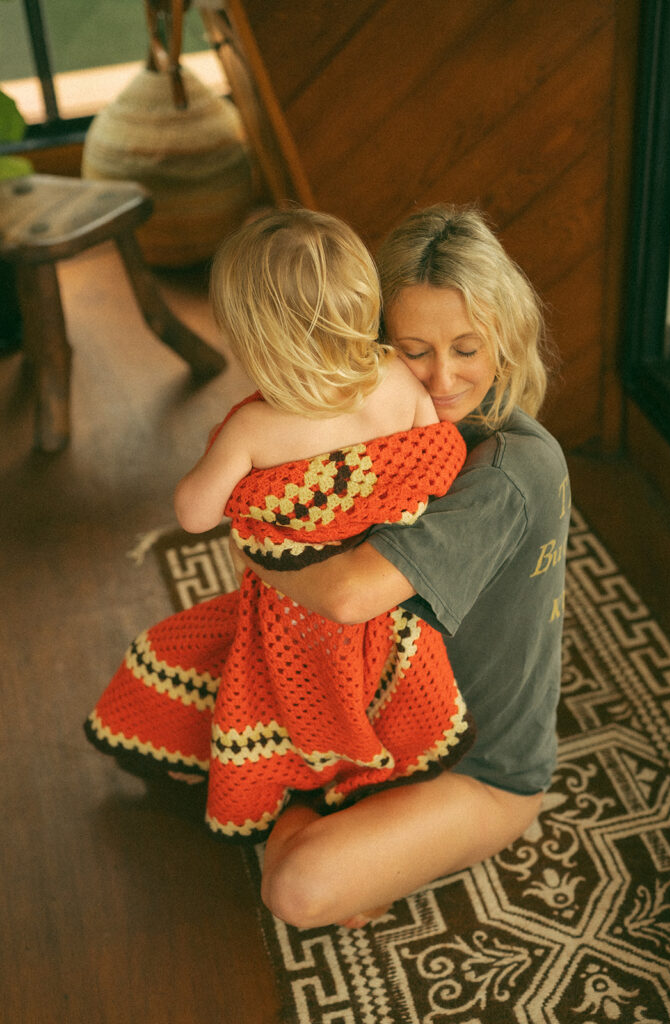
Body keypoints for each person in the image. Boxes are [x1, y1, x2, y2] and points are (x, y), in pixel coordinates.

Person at [84, 209, 474, 854]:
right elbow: (436, 458)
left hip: (292, 624)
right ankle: (355, 790)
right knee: (370, 712)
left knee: (177, 656)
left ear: (254, 339)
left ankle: (267, 783)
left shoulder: (256, 429)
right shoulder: (398, 379)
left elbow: (194, 514)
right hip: (390, 618)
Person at [235, 204, 570, 930]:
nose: (442, 377)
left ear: (506, 343)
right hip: (385, 725)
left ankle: (300, 825)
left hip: (479, 769)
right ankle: (314, 811)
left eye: (466, 348)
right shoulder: (392, 429)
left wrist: (259, 543)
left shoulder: (510, 468)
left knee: (294, 890)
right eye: (413, 348)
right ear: (372, 343)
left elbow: (351, 594)